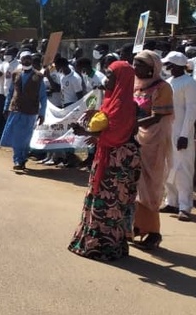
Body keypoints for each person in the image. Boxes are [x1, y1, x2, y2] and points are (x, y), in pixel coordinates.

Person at [68, 61, 140, 261]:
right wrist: (95, 119)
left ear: (121, 80)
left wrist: (87, 132)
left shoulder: (125, 105)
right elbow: (106, 126)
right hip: (106, 156)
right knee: (97, 198)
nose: (106, 79)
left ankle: (104, 247)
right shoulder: (110, 101)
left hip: (119, 161)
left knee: (110, 204)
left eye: (110, 76)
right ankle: (92, 243)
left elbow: (117, 135)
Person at [131, 50, 173, 250]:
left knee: (150, 186)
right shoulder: (136, 86)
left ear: (152, 68)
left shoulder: (163, 88)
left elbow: (157, 116)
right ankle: (138, 226)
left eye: (140, 64)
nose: (135, 68)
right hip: (136, 139)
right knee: (136, 184)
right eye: (134, 63)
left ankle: (154, 232)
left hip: (154, 142)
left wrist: (133, 124)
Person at [161, 52, 196, 222]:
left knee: (183, 169)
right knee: (168, 167)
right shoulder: (168, 83)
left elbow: (191, 110)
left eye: (169, 64)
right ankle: (171, 201)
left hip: (182, 132)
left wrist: (184, 134)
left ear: (177, 65)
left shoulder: (189, 83)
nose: (167, 67)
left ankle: (185, 206)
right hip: (168, 130)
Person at [0, 51, 47, 170]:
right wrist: (6, 107)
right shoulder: (16, 74)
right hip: (16, 109)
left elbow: (43, 96)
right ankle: (17, 160)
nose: (27, 61)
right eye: (24, 59)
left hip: (30, 111)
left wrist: (42, 114)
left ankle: (23, 157)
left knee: (25, 137)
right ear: (20, 60)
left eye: (28, 58)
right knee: (16, 136)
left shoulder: (38, 76)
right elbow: (11, 92)